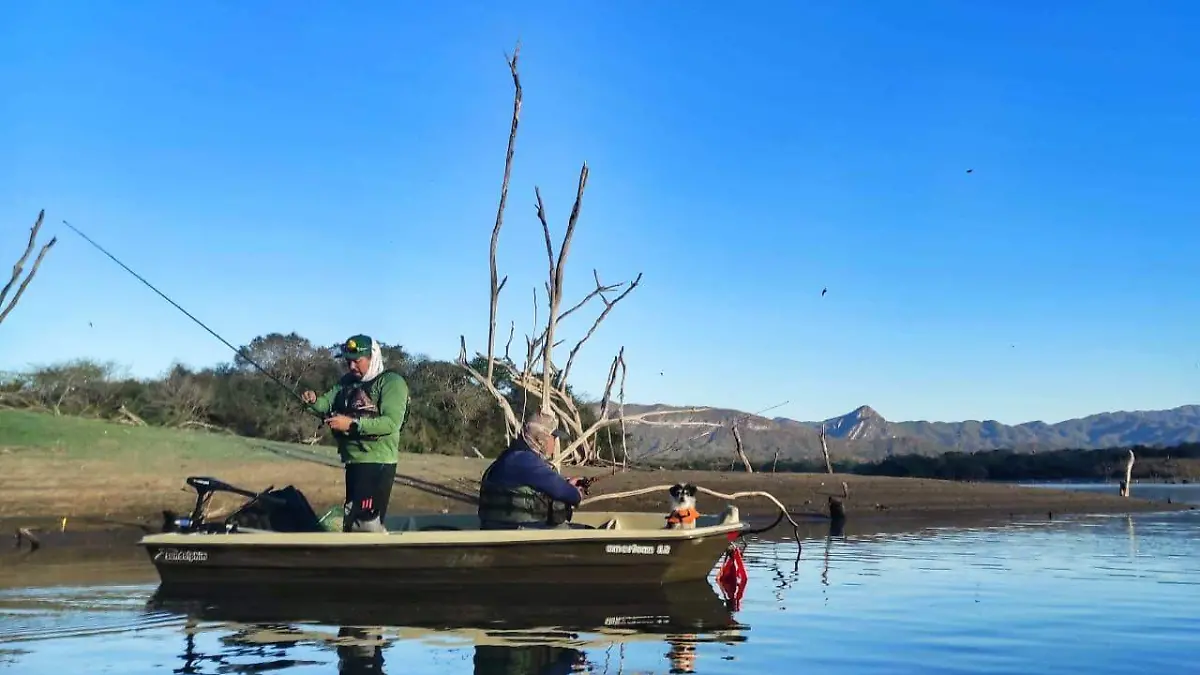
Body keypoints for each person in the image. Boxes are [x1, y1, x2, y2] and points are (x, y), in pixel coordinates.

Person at [302, 334, 410, 532]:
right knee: (352, 518)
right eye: (348, 362)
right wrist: (312, 401)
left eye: (357, 361)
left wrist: (351, 424)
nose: (351, 367)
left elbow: (391, 423)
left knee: (366, 524)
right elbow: (325, 403)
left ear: (373, 358)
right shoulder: (346, 382)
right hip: (353, 461)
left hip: (377, 462)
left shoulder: (392, 382)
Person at [477, 410, 587, 530]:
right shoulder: (525, 460)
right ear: (541, 438)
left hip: (499, 526)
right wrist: (576, 493)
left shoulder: (511, 455)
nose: (555, 443)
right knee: (587, 531)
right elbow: (563, 492)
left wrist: (567, 484)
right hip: (519, 530)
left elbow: (545, 483)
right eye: (553, 437)